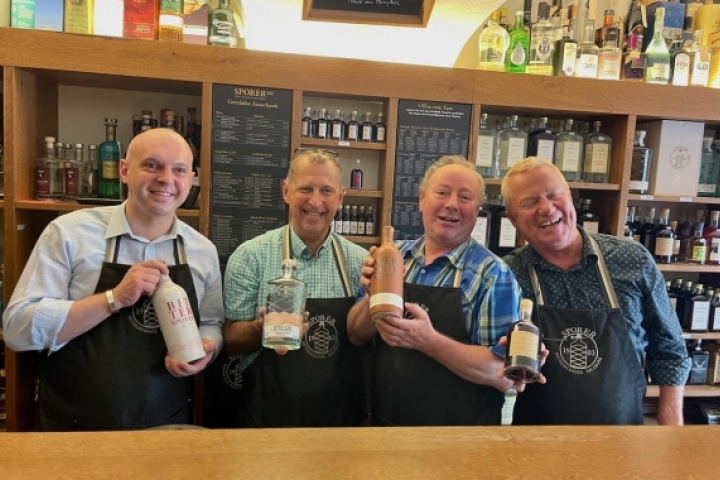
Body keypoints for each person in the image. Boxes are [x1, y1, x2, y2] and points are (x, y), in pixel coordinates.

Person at [2, 128, 224, 431]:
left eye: (179, 170)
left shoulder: (202, 250)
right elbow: (17, 328)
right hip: (72, 428)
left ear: (191, 179)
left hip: (165, 427)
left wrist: (208, 348)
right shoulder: (69, 233)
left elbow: (211, 322)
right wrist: (113, 298)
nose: (166, 179)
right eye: (152, 165)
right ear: (124, 170)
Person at [500, 157, 691, 425]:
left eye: (554, 195)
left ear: (570, 198)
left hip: (623, 436)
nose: (546, 208)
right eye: (529, 202)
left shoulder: (631, 259)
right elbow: (494, 359)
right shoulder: (507, 274)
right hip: (538, 438)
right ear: (513, 219)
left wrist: (671, 429)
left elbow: (669, 347)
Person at [347, 155, 523, 426]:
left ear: (477, 211)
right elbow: (356, 335)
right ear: (421, 199)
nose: (452, 204)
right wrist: (374, 295)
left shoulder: (493, 275)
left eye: (465, 197)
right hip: (386, 431)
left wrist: (430, 342)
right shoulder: (394, 257)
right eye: (442, 192)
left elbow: (503, 374)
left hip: (459, 439)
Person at [223, 148, 369, 427]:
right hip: (267, 419)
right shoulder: (251, 256)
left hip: (340, 421)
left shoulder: (359, 263)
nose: (315, 201)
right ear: (286, 191)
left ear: (340, 197)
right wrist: (263, 327)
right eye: (305, 188)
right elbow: (231, 341)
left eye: (326, 191)